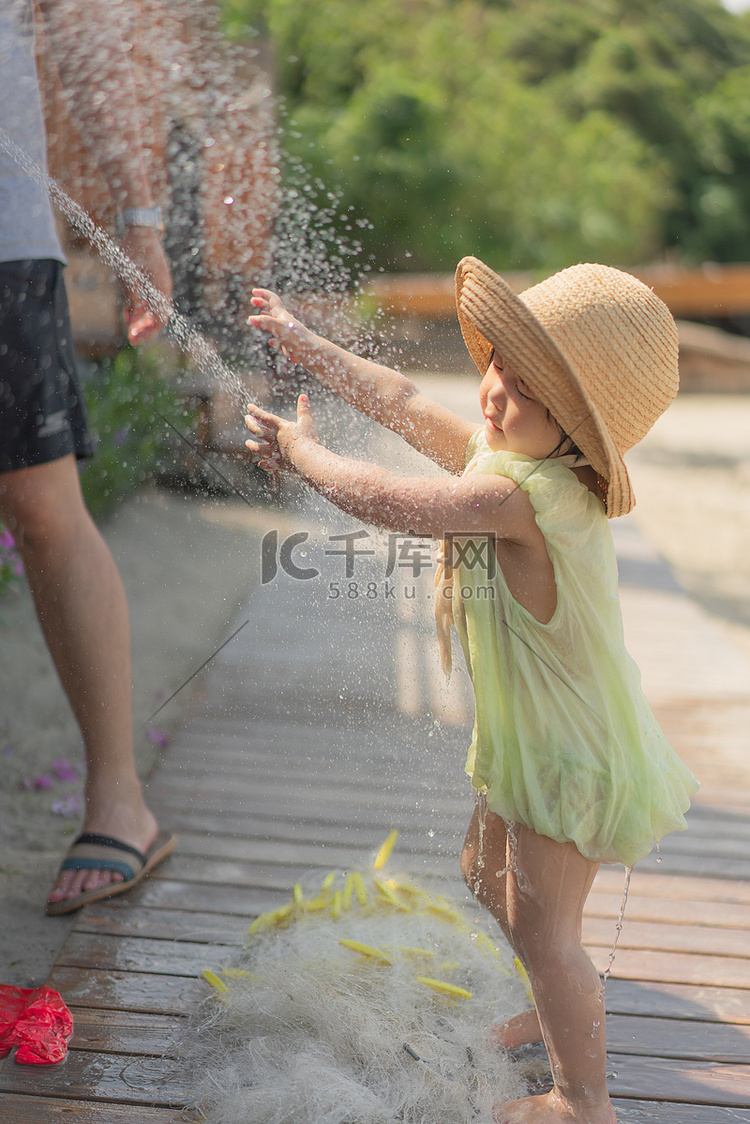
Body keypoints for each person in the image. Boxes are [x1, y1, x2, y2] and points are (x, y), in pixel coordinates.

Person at [243, 259, 700, 1124]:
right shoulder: (510, 460)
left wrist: (306, 453)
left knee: (546, 932)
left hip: (571, 754)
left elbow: (390, 500)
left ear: (577, 430)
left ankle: (582, 1101)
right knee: (483, 874)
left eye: (525, 389)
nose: (494, 393)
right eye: (498, 366)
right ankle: (550, 1012)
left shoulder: (530, 499)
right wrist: (311, 347)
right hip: (535, 741)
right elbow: (409, 402)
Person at [0, 0, 175, 915]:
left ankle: (120, 799)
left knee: (41, 509)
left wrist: (139, 222)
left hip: (1, 239)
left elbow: (86, 25)